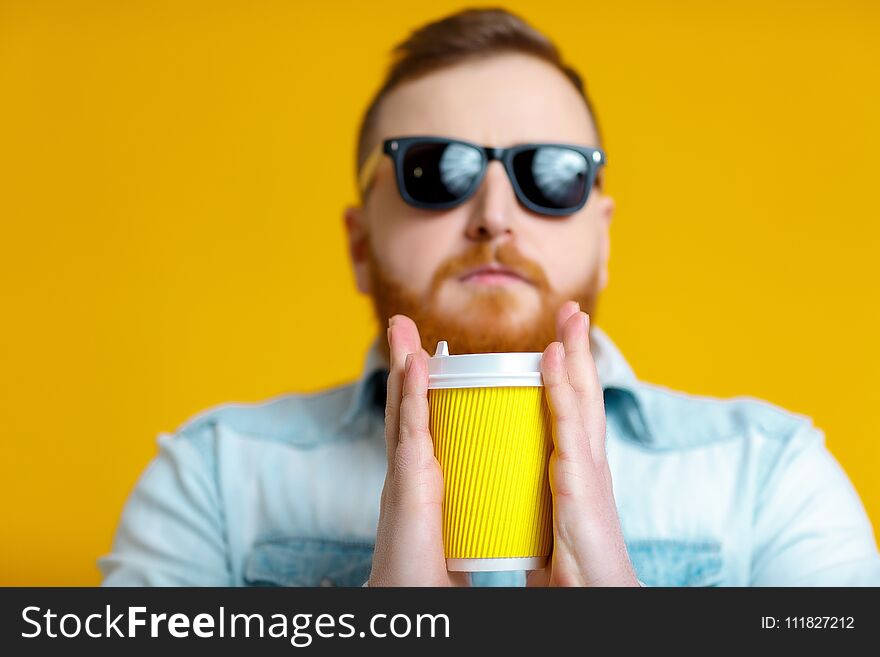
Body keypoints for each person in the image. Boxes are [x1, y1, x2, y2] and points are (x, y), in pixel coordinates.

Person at [99, 7, 880, 586]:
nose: (495, 218)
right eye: (435, 171)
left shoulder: (770, 477)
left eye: (551, 174)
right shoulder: (216, 478)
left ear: (603, 238)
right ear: (360, 244)